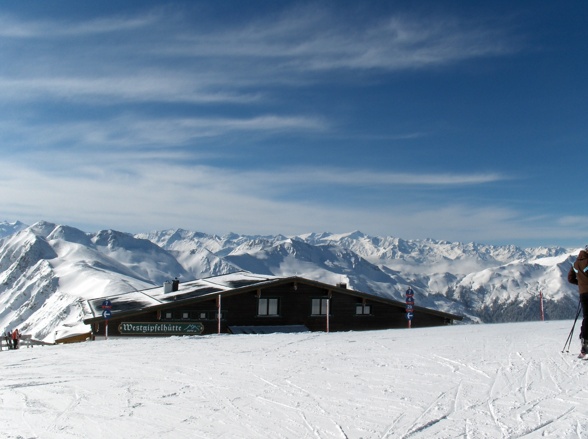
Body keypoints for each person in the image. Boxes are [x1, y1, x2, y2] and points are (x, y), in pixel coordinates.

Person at [568, 245, 588, 358]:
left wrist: (581, 284)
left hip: (582, 294)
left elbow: (570, 278)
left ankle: (584, 340)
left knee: (586, 317)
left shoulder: (575, 263)